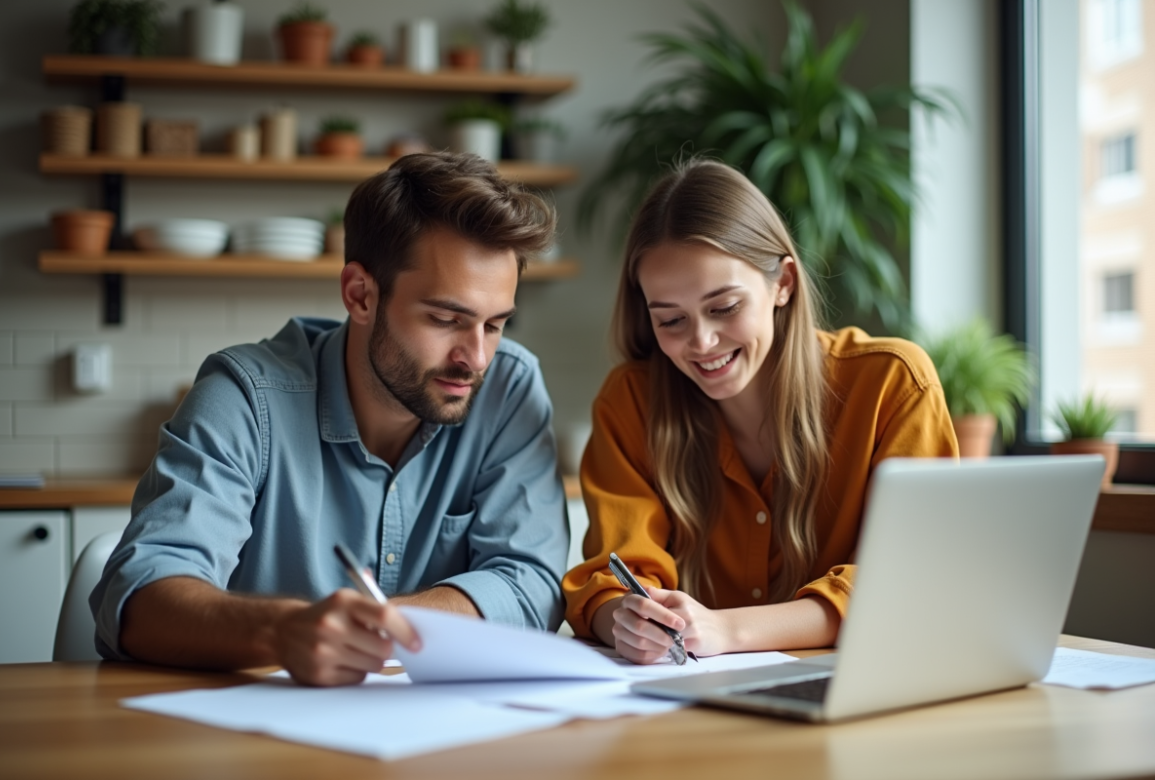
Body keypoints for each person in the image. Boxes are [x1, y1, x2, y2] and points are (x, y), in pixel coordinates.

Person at [91, 152, 570, 686]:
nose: (476, 358)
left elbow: (533, 583)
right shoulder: (245, 396)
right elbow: (139, 595)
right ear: (359, 295)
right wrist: (283, 630)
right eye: (444, 319)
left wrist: (388, 626)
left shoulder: (508, 387)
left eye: (496, 324)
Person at [562, 160, 958, 664]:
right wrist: (622, 618)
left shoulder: (891, 384)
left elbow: (909, 578)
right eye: (670, 320)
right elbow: (611, 574)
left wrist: (727, 630)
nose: (701, 342)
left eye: (724, 307)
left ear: (784, 283)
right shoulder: (630, 403)